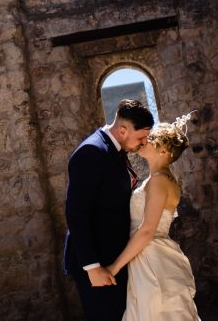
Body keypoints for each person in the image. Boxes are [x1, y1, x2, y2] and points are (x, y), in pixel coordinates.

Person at [64, 99, 155, 321]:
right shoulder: (91, 152)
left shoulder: (115, 148)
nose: (143, 143)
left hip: (115, 257)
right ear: (123, 130)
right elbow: (76, 213)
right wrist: (92, 267)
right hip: (97, 262)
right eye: (141, 137)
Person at [108, 112, 200, 320]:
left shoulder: (159, 180)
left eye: (150, 140)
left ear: (164, 151)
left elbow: (148, 229)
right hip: (145, 257)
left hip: (152, 259)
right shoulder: (157, 179)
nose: (144, 141)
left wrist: (114, 267)